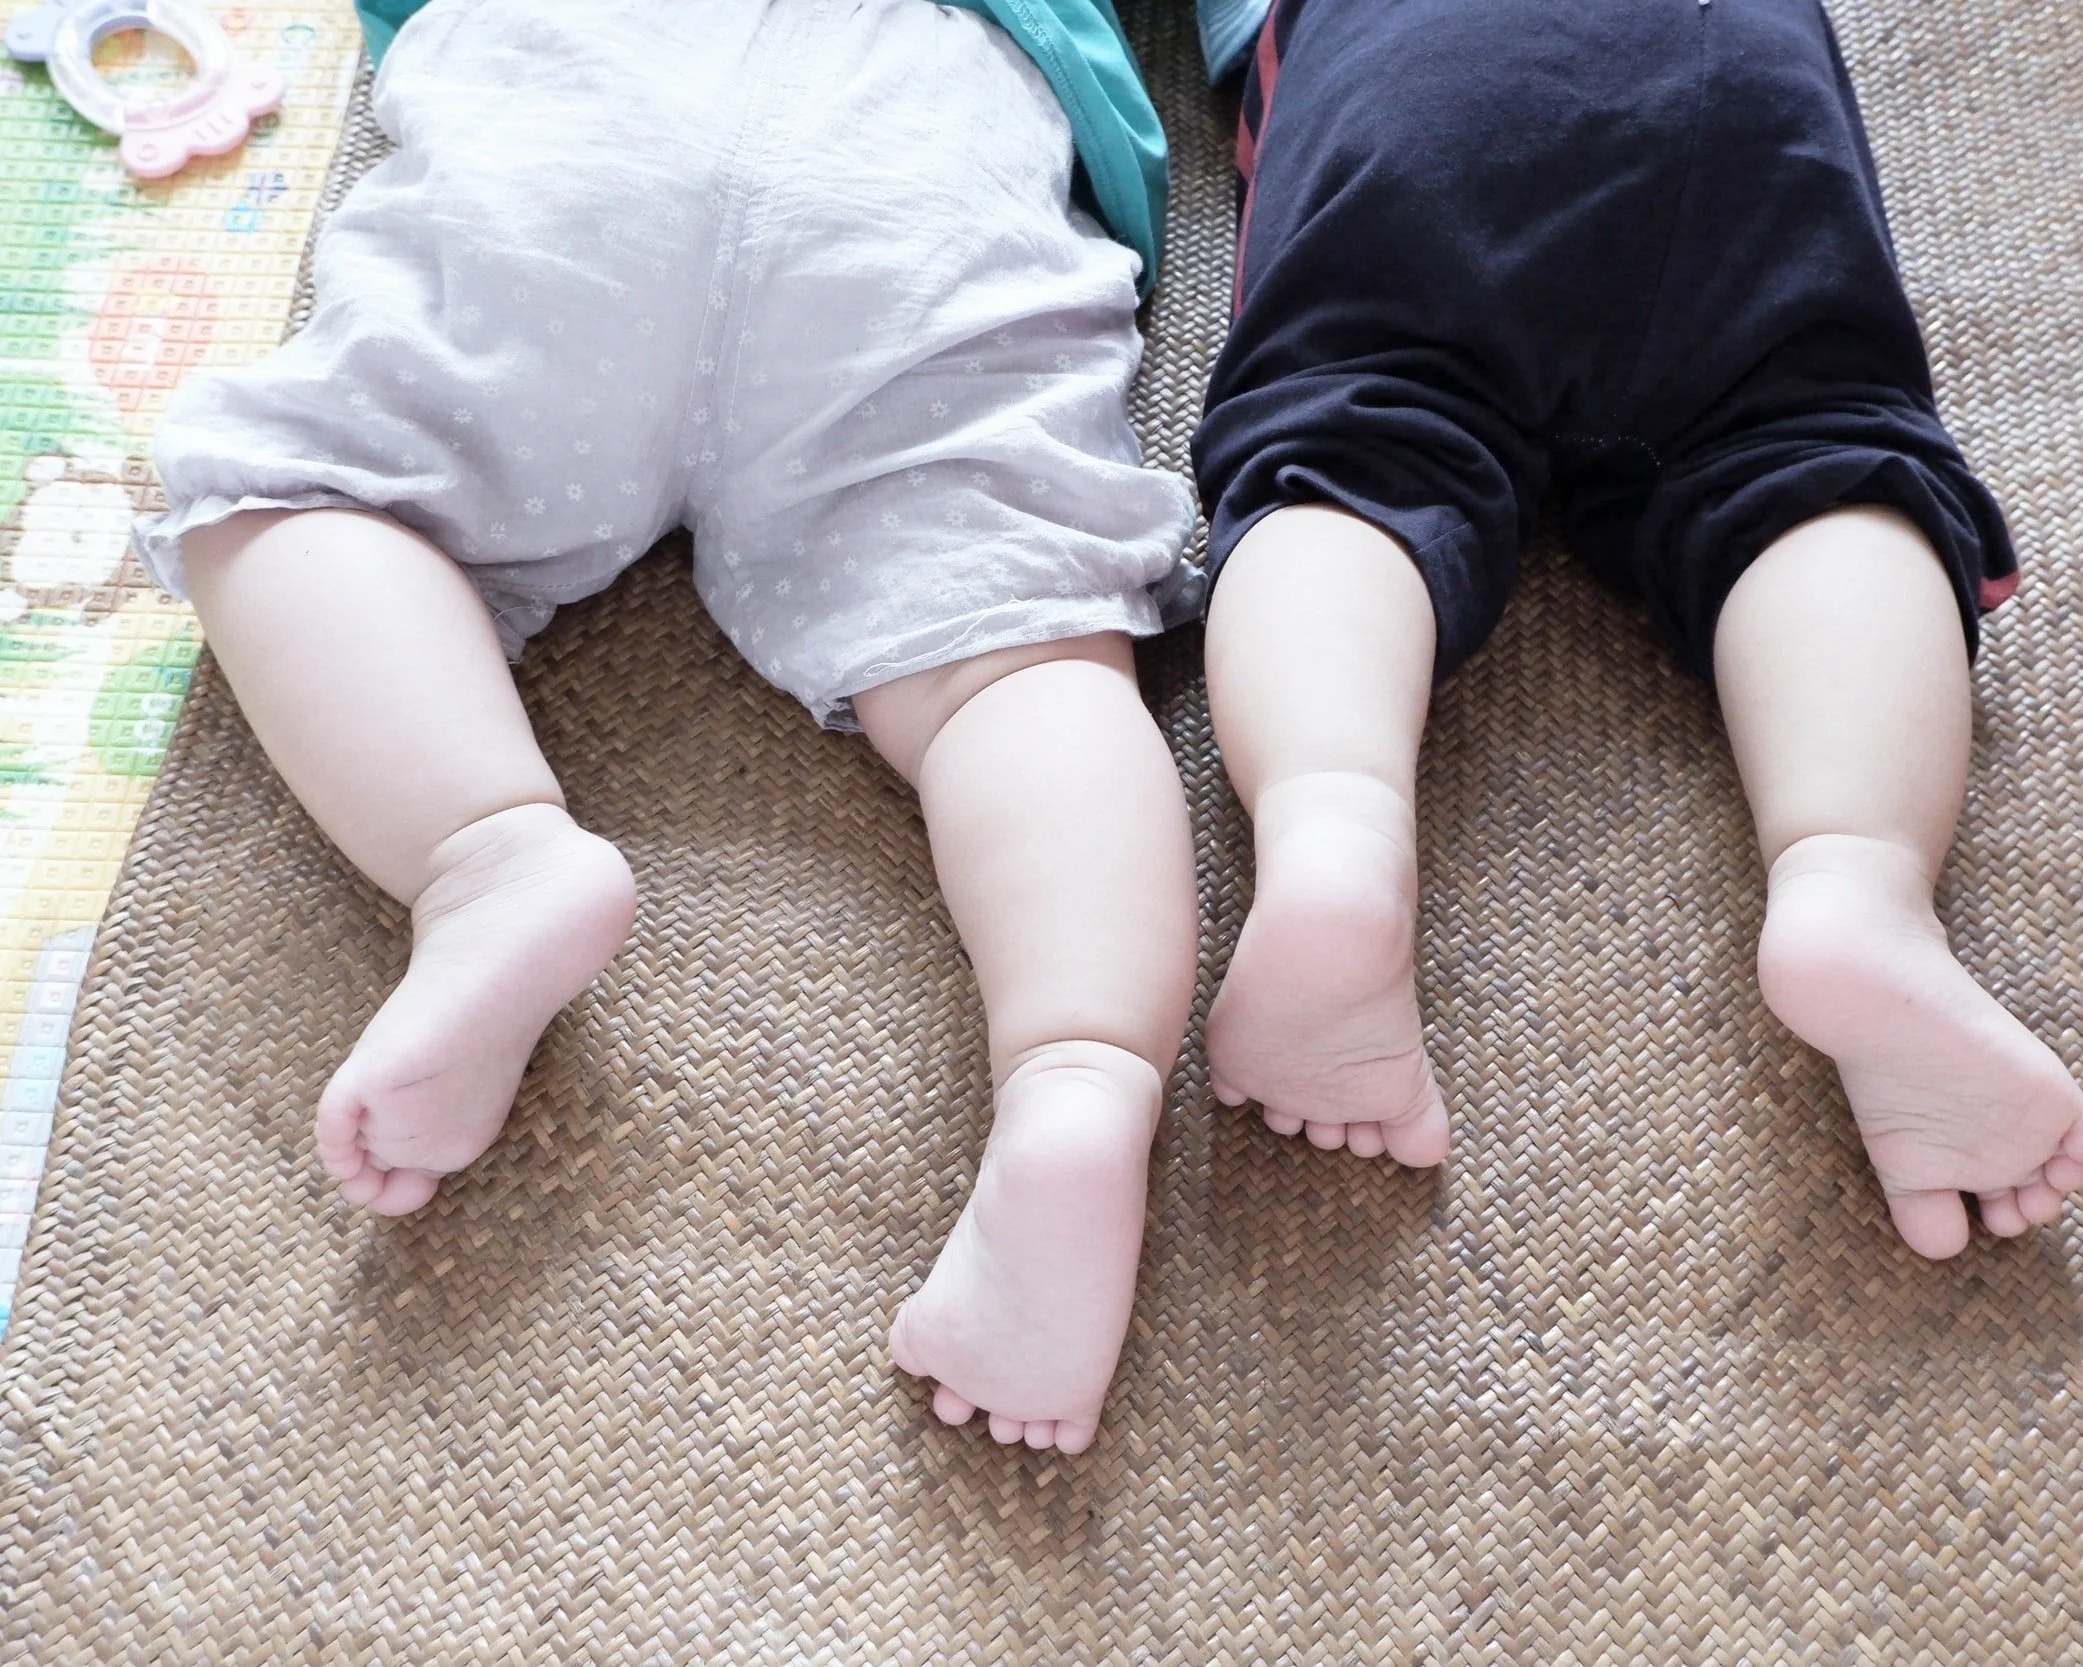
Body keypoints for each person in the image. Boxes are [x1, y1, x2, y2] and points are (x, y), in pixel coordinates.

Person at [134, 0, 1204, 1454]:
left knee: (302, 500)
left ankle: (487, 855)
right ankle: (1078, 1074)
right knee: (1008, 662)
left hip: (580, 115)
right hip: (918, 152)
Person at [1190, 0, 2083, 1255]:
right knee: (1805, 447)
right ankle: (1855, 883)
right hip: (1723, 77)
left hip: (1423, 91)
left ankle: (1333, 830)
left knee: (1354, 449)